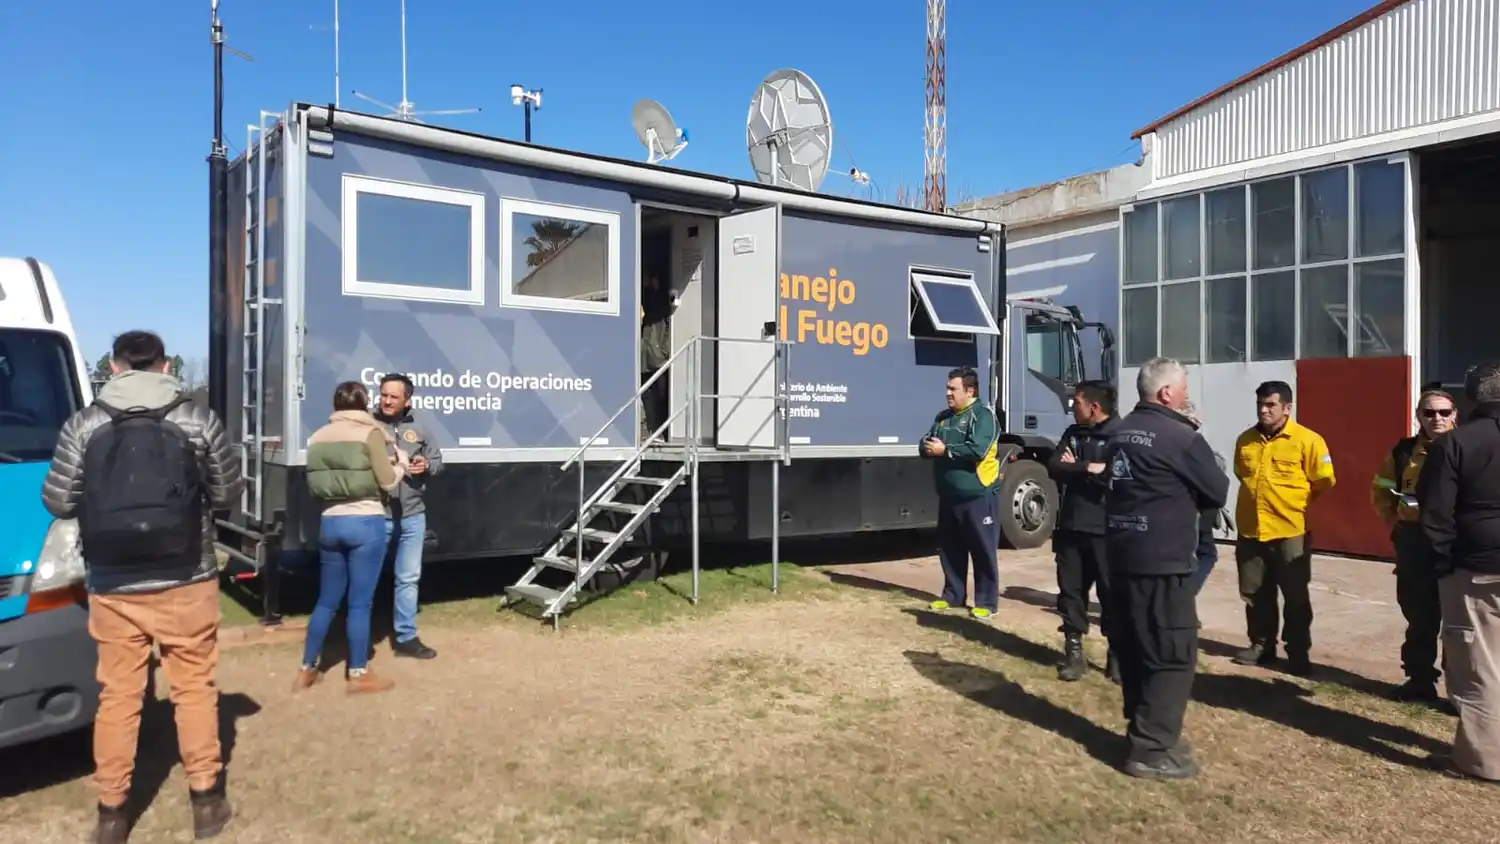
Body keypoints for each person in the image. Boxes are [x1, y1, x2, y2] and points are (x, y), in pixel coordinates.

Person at [41, 330, 241, 843]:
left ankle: (112, 813)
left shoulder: (84, 423)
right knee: (194, 688)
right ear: (165, 364)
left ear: (113, 365)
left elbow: (59, 502)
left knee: (119, 697)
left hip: (112, 580)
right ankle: (206, 802)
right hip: (186, 575)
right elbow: (226, 491)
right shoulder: (196, 417)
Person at [1103, 357, 1229, 780]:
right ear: (1166, 394)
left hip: (1121, 558)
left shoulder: (1117, 432)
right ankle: (1153, 749)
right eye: (1184, 388)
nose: (1187, 395)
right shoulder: (1180, 437)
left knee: (1137, 649)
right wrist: (1194, 432)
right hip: (1164, 563)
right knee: (1173, 655)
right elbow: (1217, 489)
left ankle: (1144, 734)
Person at [295, 381, 407, 696]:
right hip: (365, 521)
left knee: (327, 600)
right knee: (360, 603)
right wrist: (400, 466)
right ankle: (358, 673)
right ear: (364, 403)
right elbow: (386, 481)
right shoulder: (369, 434)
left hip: (330, 522)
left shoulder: (317, 437)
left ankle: (307, 669)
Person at [1417, 361, 1500, 783]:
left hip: (1476, 569)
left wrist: (1444, 561)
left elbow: (1435, 511)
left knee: (1477, 665)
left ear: (1471, 398)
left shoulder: (1457, 444)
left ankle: (1482, 763)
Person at [1231, 381, 1335, 676]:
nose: (1264, 410)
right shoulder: (1246, 440)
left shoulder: (1308, 440)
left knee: (1295, 595)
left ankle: (1298, 652)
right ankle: (1262, 646)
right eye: (1260, 405)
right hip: (1252, 530)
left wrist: (1296, 502)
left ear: (1287, 408)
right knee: (1254, 593)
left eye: (1270, 405)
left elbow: (1324, 480)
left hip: (1291, 531)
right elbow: (1242, 474)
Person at [1372, 388, 1458, 708]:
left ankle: (1460, 693)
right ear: (1418, 416)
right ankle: (1419, 681)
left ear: (1455, 416)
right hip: (1414, 544)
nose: (1437, 418)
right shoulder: (1404, 451)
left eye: (1444, 413)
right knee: (1419, 616)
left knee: (1457, 623)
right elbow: (1381, 486)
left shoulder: (1468, 448)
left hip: (1454, 548)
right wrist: (1393, 517)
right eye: (1429, 412)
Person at [1047, 379, 1119, 682]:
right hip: (1071, 527)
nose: (1071, 408)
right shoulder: (1073, 432)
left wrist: (1077, 466)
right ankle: (1074, 653)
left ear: (1094, 406)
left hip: (1106, 531)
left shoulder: (1119, 435)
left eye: (1076, 403)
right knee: (1071, 593)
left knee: (1113, 596)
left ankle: (1118, 656)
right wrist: (1088, 468)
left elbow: (1113, 477)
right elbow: (1054, 466)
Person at [920, 367, 1001, 621]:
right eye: (947, 388)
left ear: (970, 390)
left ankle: (986, 602)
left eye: (952, 389)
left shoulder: (983, 415)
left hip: (977, 494)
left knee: (982, 549)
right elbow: (926, 443)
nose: (947, 393)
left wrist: (945, 450)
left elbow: (977, 449)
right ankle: (953, 595)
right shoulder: (943, 417)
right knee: (949, 548)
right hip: (948, 495)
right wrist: (926, 447)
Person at [375, 373, 444, 661]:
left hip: (413, 516)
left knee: (408, 578)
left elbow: (439, 462)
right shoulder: (369, 425)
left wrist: (426, 464)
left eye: (394, 396)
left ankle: (405, 637)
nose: (387, 401)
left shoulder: (421, 428)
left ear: (407, 400)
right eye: (384, 395)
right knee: (364, 576)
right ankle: (356, 636)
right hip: (377, 515)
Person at [1182, 401, 1231, 596]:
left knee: (1204, 553)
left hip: (1195, 511)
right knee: (1204, 554)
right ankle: (1183, 600)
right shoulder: (1192, 443)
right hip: (1196, 511)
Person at [640, 272, 673, 439]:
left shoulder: (662, 305)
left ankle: (661, 430)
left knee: (661, 394)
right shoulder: (645, 298)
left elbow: (665, 324)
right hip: (646, 355)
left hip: (657, 356)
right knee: (647, 393)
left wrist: (664, 350)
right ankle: (654, 429)